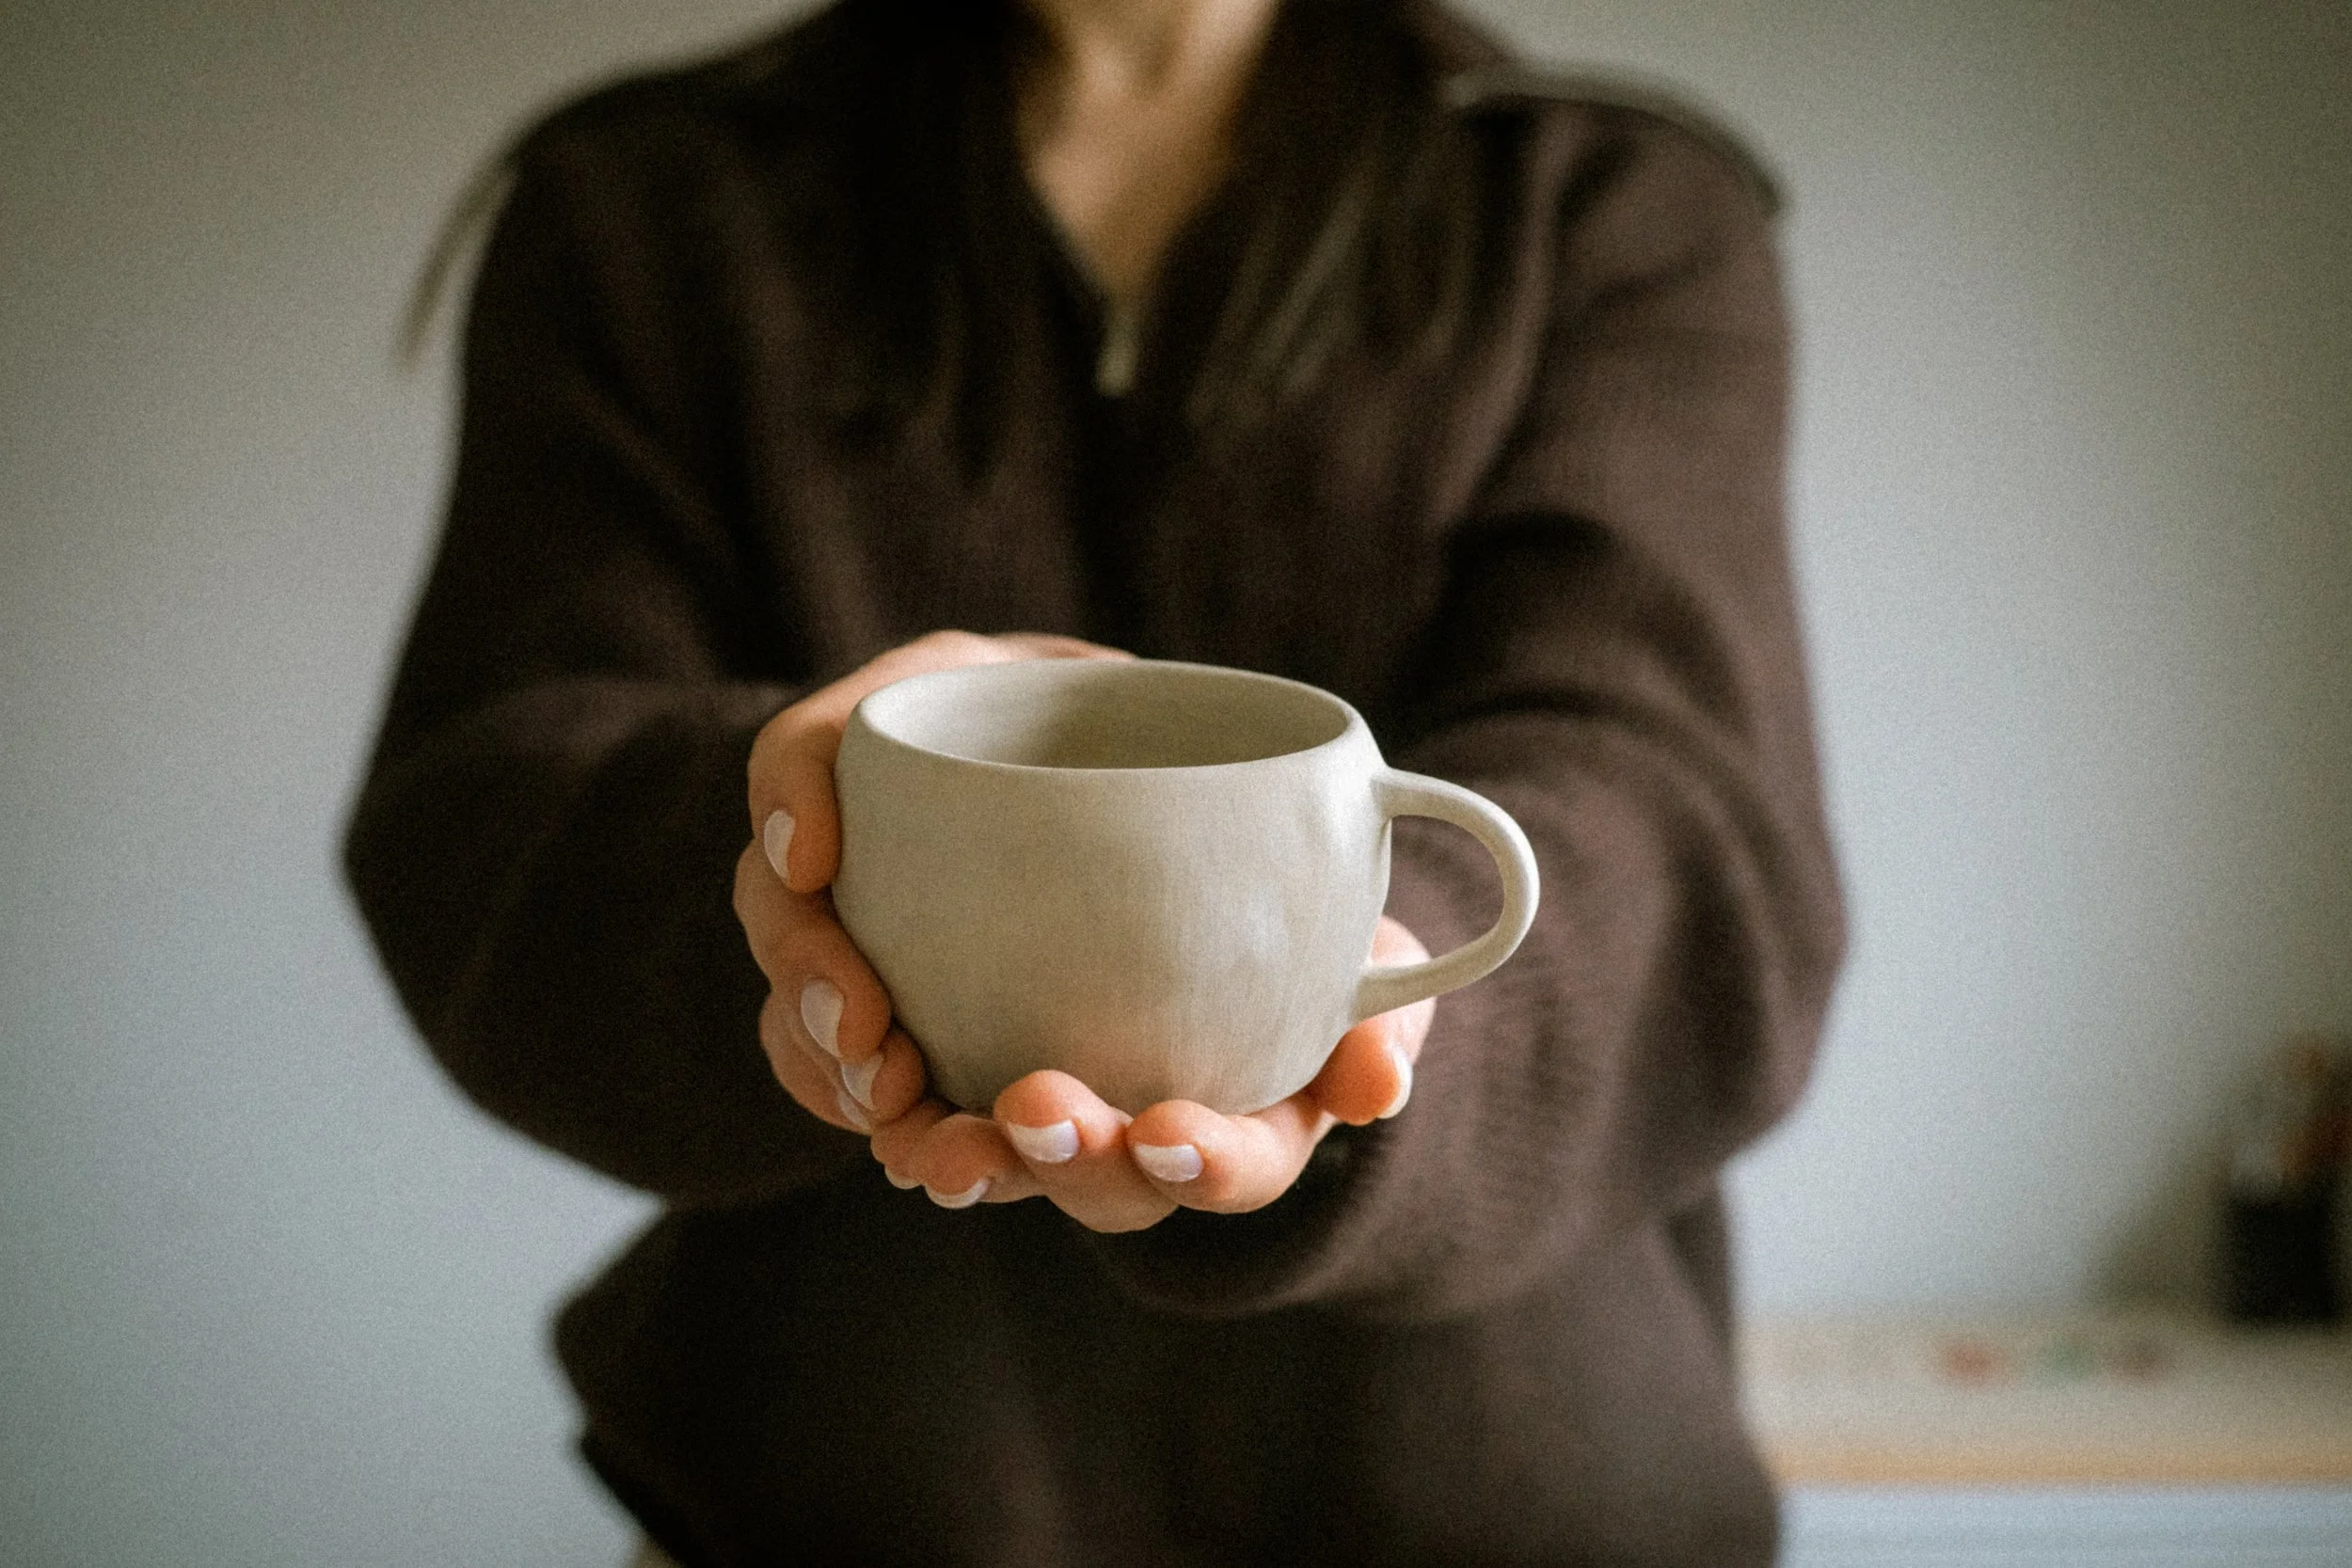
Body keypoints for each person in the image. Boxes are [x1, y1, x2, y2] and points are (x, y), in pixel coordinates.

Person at [346, 0, 1845, 1560]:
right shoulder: (648, 210)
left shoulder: (1605, 205)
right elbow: (485, 817)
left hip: (1517, 1497)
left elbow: (1680, 814)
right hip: (834, 1493)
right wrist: (805, 846)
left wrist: (1357, 996)